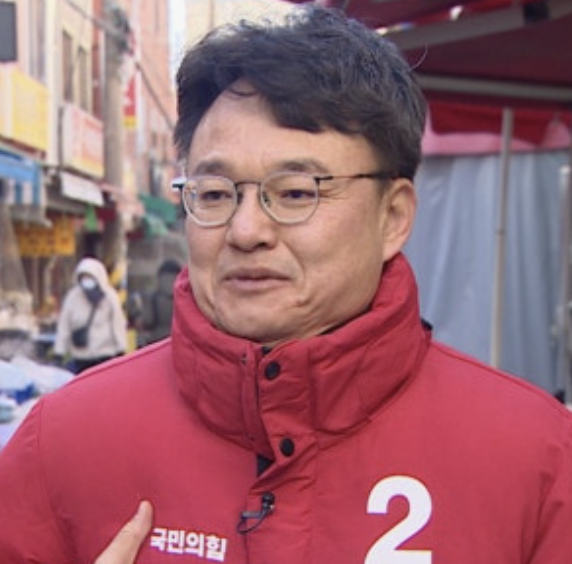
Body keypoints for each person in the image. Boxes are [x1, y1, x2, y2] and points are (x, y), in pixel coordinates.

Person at [1, 6, 572, 563]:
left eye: (296, 192)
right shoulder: (61, 444)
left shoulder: (538, 460)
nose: (246, 231)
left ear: (393, 216)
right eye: (215, 194)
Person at [52, 257, 127, 373]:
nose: (87, 281)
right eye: (84, 277)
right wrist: (59, 352)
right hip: (81, 357)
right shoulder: (73, 297)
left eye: (90, 277)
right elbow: (64, 326)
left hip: (105, 355)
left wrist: (121, 349)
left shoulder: (109, 296)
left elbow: (117, 323)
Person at [141, 259, 182, 344]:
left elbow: (147, 321)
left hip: (157, 341)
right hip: (179, 341)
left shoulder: (152, 298)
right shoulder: (184, 299)